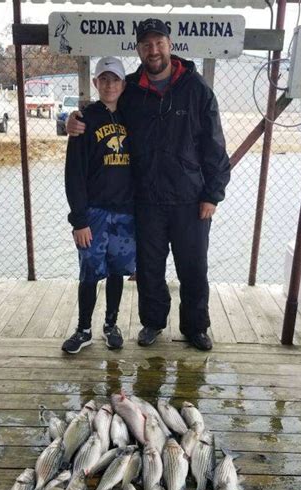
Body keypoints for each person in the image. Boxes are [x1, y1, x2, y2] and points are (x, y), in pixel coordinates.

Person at [68, 19, 231, 351]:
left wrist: (213, 194)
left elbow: (215, 146)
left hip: (190, 198)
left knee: (194, 267)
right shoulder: (129, 89)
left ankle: (195, 326)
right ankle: (153, 322)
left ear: (170, 45)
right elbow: (102, 110)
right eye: (146, 45)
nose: (153, 50)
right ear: (138, 49)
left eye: (159, 43)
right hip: (146, 200)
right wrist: (72, 120)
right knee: (150, 268)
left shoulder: (197, 89)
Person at [61, 56, 135, 354]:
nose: (109, 85)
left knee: (117, 270)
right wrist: (79, 220)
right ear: (95, 83)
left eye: (115, 79)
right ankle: (84, 329)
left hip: (127, 212)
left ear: (123, 84)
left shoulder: (134, 115)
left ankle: (110, 324)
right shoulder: (84, 120)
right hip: (94, 213)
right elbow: (73, 174)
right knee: (90, 272)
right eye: (103, 79)